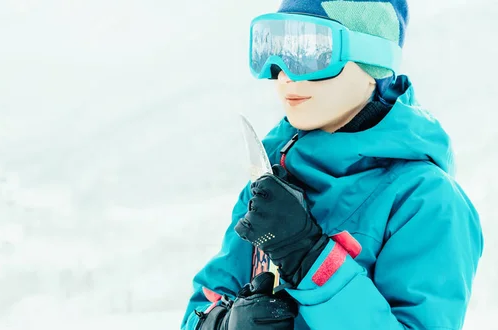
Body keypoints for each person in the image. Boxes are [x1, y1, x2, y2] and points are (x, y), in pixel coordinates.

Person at [180, 0, 484, 329]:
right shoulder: (273, 181)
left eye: (309, 51)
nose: (283, 74)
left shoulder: (428, 202)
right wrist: (222, 324)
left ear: (373, 59)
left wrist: (311, 260)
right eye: (272, 47)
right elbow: (205, 301)